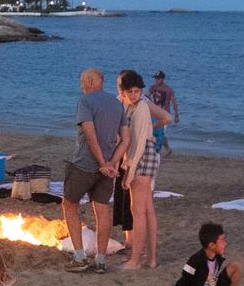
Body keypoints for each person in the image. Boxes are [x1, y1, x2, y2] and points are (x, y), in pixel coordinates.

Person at [60, 68, 126, 274]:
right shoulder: (117, 104)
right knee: (102, 208)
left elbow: (90, 135)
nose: (81, 86)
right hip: (106, 168)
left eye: (82, 81)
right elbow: (126, 139)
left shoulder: (85, 101)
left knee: (69, 204)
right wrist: (111, 163)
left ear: (89, 80)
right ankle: (100, 260)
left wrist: (102, 163)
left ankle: (79, 257)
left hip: (84, 164)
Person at [116, 69, 160, 270]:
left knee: (138, 211)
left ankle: (135, 260)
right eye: (130, 91)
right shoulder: (129, 104)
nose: (134, 94)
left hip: (142, 158)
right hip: (141, 157)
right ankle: (151, 258)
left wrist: (129, 172)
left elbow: (139, 143)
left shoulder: (141, 108)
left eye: (136, 91)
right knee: (147, 210)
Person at [170, 222, 244, 286]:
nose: (225, 244)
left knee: (236, 266)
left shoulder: (217, 255)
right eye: (222, 240)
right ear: (212, 245)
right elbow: (183, 280)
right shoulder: (195, 260)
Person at [146, 71, 178, 155]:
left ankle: (158, 151)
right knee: (154, 132)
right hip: (154, 113)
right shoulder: (153, 87)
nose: (156, 80)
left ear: (163, 79)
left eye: (158, 79)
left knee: (161, 133)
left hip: (165, 115)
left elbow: (174, 102)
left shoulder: (169, 90)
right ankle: (166, 148)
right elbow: (146, 97)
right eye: (155, 78)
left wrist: (176, 115)